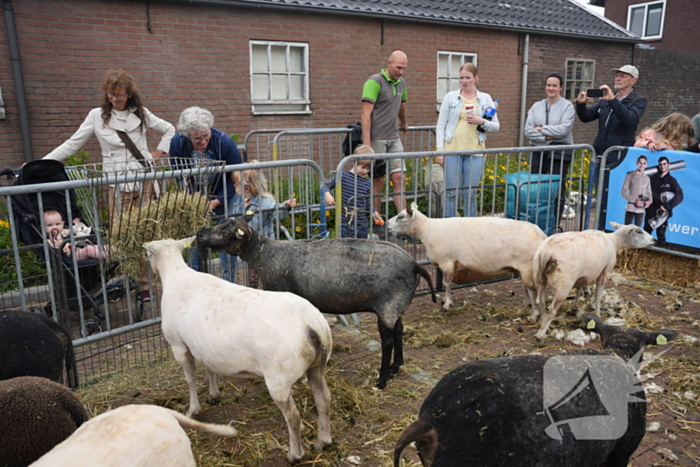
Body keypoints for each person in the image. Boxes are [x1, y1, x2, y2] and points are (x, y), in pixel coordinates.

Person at [44, 69, 175, 301]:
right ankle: (127, 280)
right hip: (116, 183)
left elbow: (169, 129)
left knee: (147, 234)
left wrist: (159, 151)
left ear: (129, 96)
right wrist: (42, 164)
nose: (115, 99)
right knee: (121, 237)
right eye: (111, 94)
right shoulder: (97, 116)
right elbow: (73, 143)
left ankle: (146, 287)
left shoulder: (142, 114)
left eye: (120, 95)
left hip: (144, 180)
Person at [169, 106, 242, 283]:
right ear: (187, 135)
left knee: (227, 236)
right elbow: (178, 173)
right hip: (195, 197)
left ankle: (228, 281)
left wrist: (217, 201)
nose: (203, 141)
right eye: (197, 139)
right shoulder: (177, 143)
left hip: (224, 194)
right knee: (195, 237)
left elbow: (236, 176)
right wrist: (192, 199)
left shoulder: (224, 142)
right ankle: (196, 280)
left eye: (205, 136)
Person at [576, 64, 647, 229]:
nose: (618, 78)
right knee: (598, 194)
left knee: (611, 197)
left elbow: (629, 119)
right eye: (617, 75)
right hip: (600, 154)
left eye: (623, 76)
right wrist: (580, 104)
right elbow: (586, 117)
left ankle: (607, 229)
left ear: (633, 80)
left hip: (617, 157)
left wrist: (613, 100)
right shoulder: (606, 100)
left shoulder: (638, 101)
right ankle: (599, 228)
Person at [435, 63, 500, 218]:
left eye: (467, 78)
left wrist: (481, 121)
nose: (464, 81)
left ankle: (469, 228)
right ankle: (450, 228)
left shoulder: (485, 98)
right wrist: (440, 151)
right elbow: (441, 124)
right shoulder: (450, 97)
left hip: (475, 151)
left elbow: (496, 126)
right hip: (452, 150)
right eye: (461, 78)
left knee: (470, 194)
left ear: (475, 79)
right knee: (451, 193)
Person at [231, 161, 296, 288]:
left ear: (247, 188)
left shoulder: (265, 202)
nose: (234, 186)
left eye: (236, 184)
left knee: (268, 275)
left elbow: (277, 213)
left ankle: (271, 294)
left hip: (265, 248)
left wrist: (285, 206)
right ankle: (256, 295)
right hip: (249, 247)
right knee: (253, 276)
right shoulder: (238, 204)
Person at [524, 72, 575, 227]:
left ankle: (553, 225)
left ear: (560, 88)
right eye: (548, 85)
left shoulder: (567, 106)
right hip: (539, 151)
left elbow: (564, 130)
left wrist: (541, 129)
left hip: (560, 151)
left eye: (554, 85)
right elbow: (527, 130)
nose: (551, 88)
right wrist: (547, 136)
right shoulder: (536, 106)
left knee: (556, 190)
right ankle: (535, 224)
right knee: (535, 188)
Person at [361, 51, 409, 214]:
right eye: (398, 67)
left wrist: (403, 122)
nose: (401, 72)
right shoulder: (374, 82)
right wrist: (367, 141)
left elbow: (401, 105)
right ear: (389, 63)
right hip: (377, 139)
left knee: (399, 178)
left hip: (393, 137)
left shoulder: (402, 83)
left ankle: (404, 220)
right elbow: (366, 113)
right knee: (377, 180)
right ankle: (376, 220)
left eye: (404, 68)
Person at [322, 145, 383, 239]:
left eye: (368, 168)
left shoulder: (368, 182)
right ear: (354, 161)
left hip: (362, 225)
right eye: (363, 167)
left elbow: (367, 204)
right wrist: (327, 194)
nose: (365, 171)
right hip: (346, 224)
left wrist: (374, 213)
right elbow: (325, 185)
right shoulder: (343, 176)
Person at [644, 156, 684, 247]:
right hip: (651, 209)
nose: (662, 166)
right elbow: (644, 191)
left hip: (663, 212)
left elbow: (680, 196)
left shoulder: (672, 181)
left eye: (664, 164)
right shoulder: (652, 178)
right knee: (646, 233)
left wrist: (667, 206)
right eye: (660, 164)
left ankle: (660, 251)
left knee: (661, 234)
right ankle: (644, 251)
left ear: (668, 165)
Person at [44, 210, 108, 260]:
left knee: (99, 246)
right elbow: (56, 250)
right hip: (73, 256)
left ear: (63, 224)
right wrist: (53, 241)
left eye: (57, 224)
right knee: (88, 249)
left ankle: (115, 252)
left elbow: (76, 229)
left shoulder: (66, 231)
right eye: (50, 225)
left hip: (81, 247)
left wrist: (77, 225)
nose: (54, 227)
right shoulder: (49, 240)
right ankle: (108, 257)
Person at [620, 155, 652, 227]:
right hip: (631, 208)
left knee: (637, 231)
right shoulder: (630, 175)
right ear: (637, 163)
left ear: (646, 165)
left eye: (644, 163)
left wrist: (649, 201)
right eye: (640, 163)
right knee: (627, 230)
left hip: (641, 210)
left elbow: (649, 192)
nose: (642, 165)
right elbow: (623, 192)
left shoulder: (647, 178)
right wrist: (634, 200)